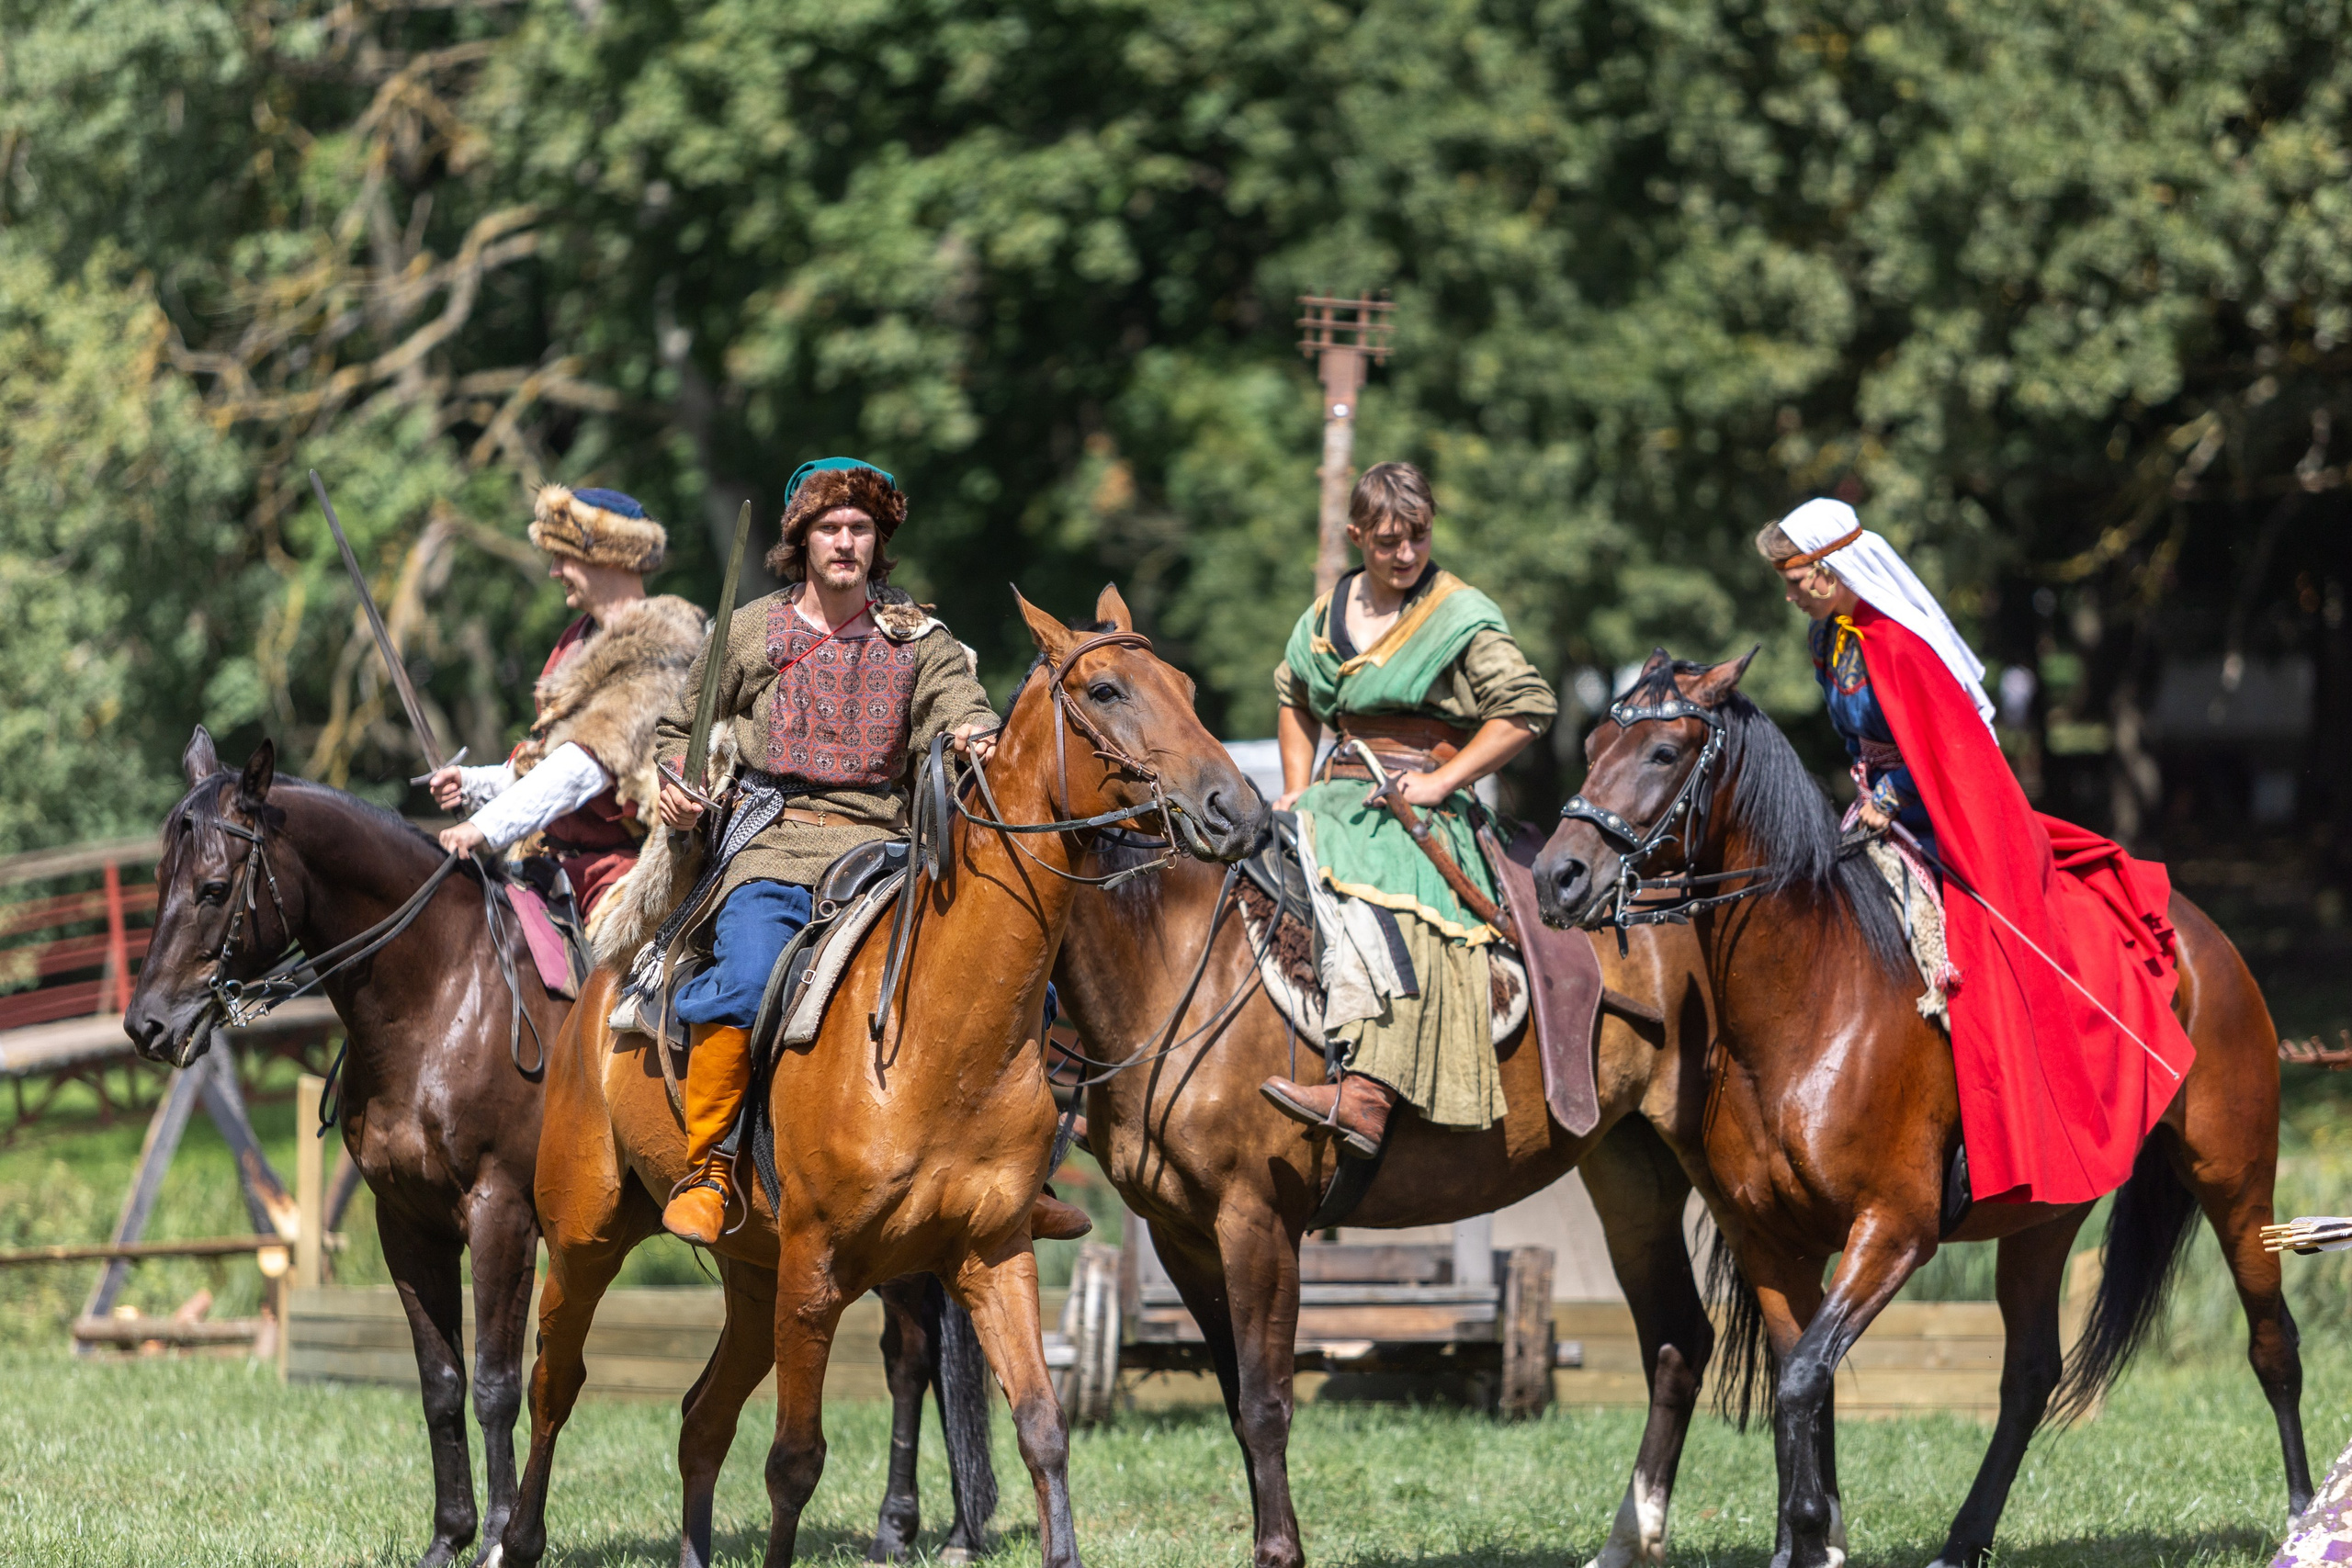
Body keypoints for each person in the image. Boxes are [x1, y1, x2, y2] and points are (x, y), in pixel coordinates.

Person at [648, 457, 1090, 1246]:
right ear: (802, 539)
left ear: (878, 541)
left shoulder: (920, 638)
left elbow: (965, 712)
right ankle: (711, 1167)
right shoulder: (750, 630)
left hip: (887, 852)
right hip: (774, 842)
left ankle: (1028, 1169)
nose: (846, 541)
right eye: (831, 528)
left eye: (861, 528)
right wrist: (675, 785)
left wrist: (971, 735)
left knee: (1022, 984)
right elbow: (679, 731)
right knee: (747, 978)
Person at [1758, 497, 2197, 1205]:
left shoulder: (1897, 644)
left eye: (1794, 575)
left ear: (1831, 567)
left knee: (1981, 948)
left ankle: (1984, 1113)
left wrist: (1892, 797)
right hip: (1876, 806)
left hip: (1942, 818)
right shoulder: (1831, 640)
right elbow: (1862, 739)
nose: (1787, 591)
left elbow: (1945, 751)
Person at [1257, 462, 1557, 1156]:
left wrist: (1444, 780)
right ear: (1356, 534)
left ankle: (1367, 1093)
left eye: (1418, 537)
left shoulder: (1458, 613)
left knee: (1380, 890)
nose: (1406, 554)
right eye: (1388, 540)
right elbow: (1294, 693)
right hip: (1332, 796)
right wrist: (1296, 782)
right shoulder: (1327, 614)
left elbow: (1528, 707)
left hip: (1420, 811)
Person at [426, 486, 703, 936]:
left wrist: (485, 826)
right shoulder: (576, 641)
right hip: (547, 860)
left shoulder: (663, 646)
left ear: (610, 555)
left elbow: (583, 766)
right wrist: (475, 784)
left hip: (622, 872)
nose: (554, 571)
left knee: (627, 998)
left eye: (564, 556)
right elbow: (550, 760)